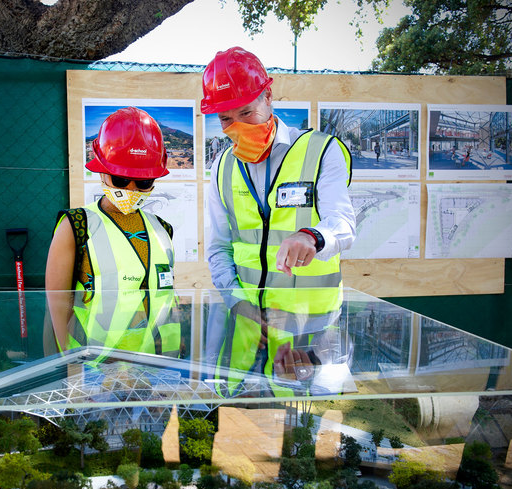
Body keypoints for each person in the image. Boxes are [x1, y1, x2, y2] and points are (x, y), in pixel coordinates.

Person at [201, 47, 356, 396]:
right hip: (248, 330)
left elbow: (344, 224)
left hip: (310, 334)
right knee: (246, 430)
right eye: (226, 119)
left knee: (307, 431)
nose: (238, 127)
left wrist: (312, 237)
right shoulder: (221, 167)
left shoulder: (321, 151)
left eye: (246, 112)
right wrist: (238, 304)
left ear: (268, 97)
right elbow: (219, 248)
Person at [45, 107, 181, 357]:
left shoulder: (162, 230)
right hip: (97, 373)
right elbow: (56, 308)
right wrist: (68, 371)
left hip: (157, 371)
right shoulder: (76, 226)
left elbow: (166, 300)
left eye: (143, 182)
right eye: (120, 179)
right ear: (102, 170)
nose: (131, 189)